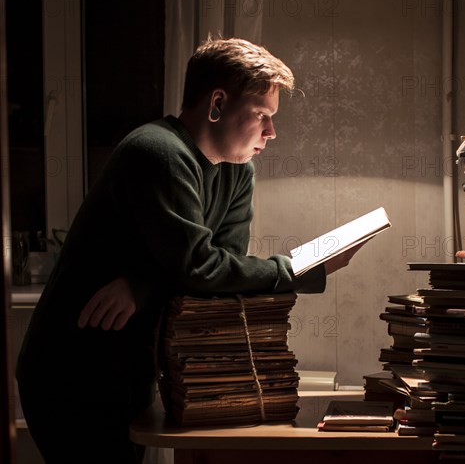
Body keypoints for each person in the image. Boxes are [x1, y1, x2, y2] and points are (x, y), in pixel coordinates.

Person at [16, 37, 363, 463]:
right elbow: (202, 267)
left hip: (129, 369)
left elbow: (218, 275)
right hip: (71, 369)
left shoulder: (238, 172)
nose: (272, 132)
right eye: (262, 116)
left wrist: (143, 284)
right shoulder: (158, 151)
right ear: (217, 103)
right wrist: (294, 269)